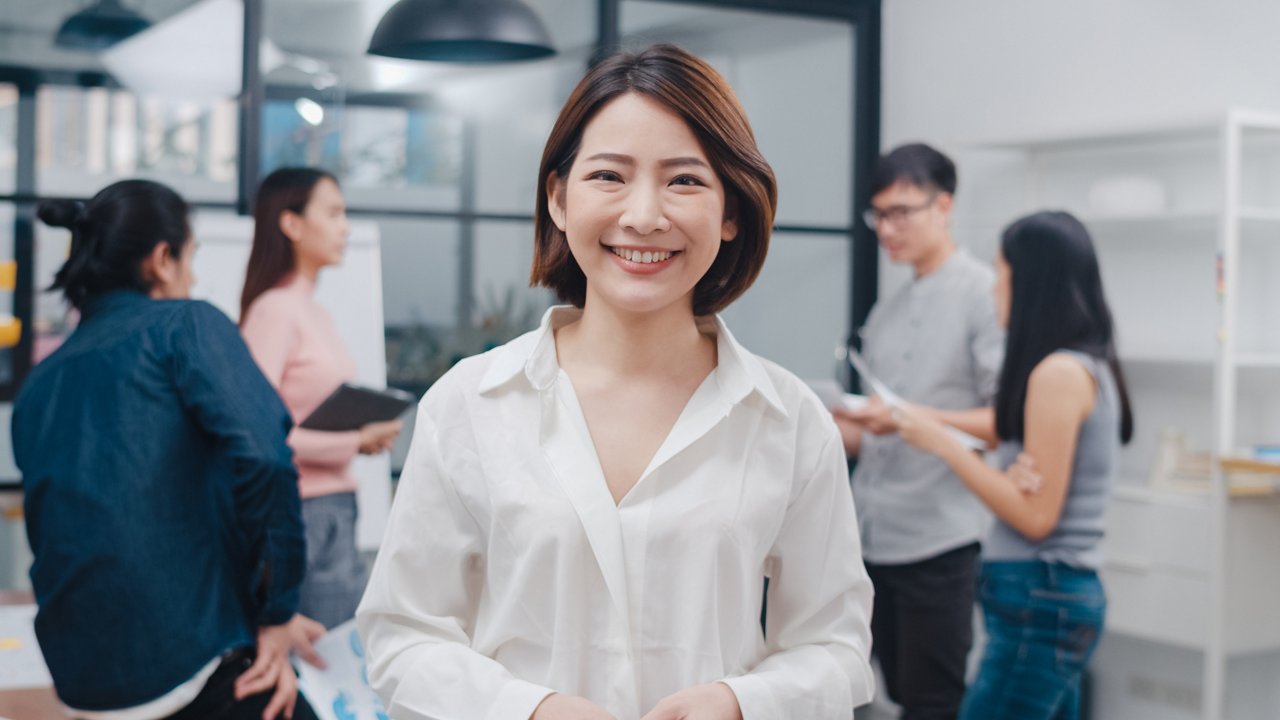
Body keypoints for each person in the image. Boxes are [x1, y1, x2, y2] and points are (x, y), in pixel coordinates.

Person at [357, 43, 874, 720]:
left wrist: (743, 702)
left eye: (684, 181)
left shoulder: (787, 418)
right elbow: (402, 636)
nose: (644, 215)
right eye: (609, 176)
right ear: (559, 198)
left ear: (731, 213)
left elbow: (834, 646)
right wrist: (532, 710)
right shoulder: (471, 401)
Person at [14, 179, 324, 720]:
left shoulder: (40, 383)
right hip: (191, 665)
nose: (193, 276)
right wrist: (277, 612)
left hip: (84, 680)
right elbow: (265, 456)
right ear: (162, 259)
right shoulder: (186, 325)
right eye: (190, 258)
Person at [895, 210, 1133, 720]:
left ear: (1030, 285)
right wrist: (918, 419)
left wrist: (944, 444)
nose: (994, 288)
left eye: (1001, 274)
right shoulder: (1082, 362)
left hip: (1041, 599)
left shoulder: (1058, 373)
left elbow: (1034, 516)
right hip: (1046, 598)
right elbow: (1014, 444)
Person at [832, 143, 1004, 720]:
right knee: (865, 693)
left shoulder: (984, 294)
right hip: (871, 537)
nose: (887, 228)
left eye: (901, 211)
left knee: (931, 701)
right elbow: (874, 438)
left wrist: (909, 418)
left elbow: (1005, 422)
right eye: (879, 214)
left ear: (945, 205)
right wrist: (831, 424)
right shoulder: (888, 309)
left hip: (940, 538)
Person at [239, 167, 402, 630]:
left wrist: (358, 438)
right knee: (322, 670)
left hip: (331, 512)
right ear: (291, 224)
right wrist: (353, 441)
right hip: (300, 516)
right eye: (332, 213)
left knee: (336, 666)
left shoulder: (312, 311)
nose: (344, 227)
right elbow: (255, 437)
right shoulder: (275, 311)